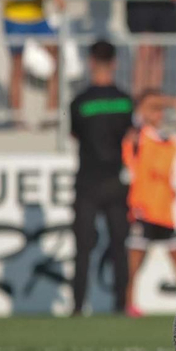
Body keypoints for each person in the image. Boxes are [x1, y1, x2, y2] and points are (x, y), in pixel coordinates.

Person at [69, 40, 135, 315]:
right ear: (115, 63)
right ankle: (120, 305)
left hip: (87, 181)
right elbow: (130, 137)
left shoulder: (80, 101)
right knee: (120, 246)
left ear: (90, 62)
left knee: (82, 247)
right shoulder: (124, 100)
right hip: (116, 181)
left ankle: (77, 307)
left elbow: (75, 135)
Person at [122, 89, 176, 316]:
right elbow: (145, 103)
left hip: (164, 211)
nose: (159, 113)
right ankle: (127, 303)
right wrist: (174, 100)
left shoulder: (170, 141)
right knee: (135, 263)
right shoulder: (139, 136)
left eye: (161, 110)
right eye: (156, 109)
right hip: (143, 208)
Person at [3, 0, 68, 117]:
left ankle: (51, 111)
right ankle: (17, 115)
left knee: (57, 57)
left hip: (38, 17)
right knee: (17, 65)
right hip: (15, 17)